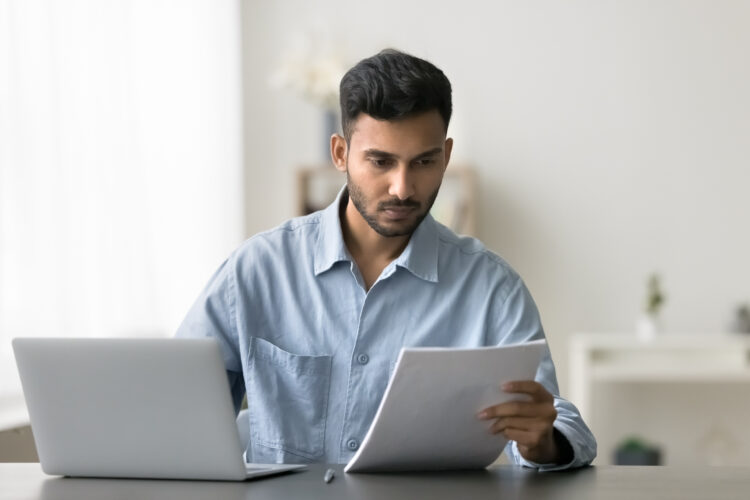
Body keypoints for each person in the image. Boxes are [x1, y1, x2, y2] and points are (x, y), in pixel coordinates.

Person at [176, 49, 596, 470]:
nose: (402, 187)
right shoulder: (255, 272)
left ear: (446, 156)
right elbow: (173, 405)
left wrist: (544, 443)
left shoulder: (491, 289)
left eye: (424, 162)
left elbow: (563, 422)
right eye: (380, 161)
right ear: (340, 154)